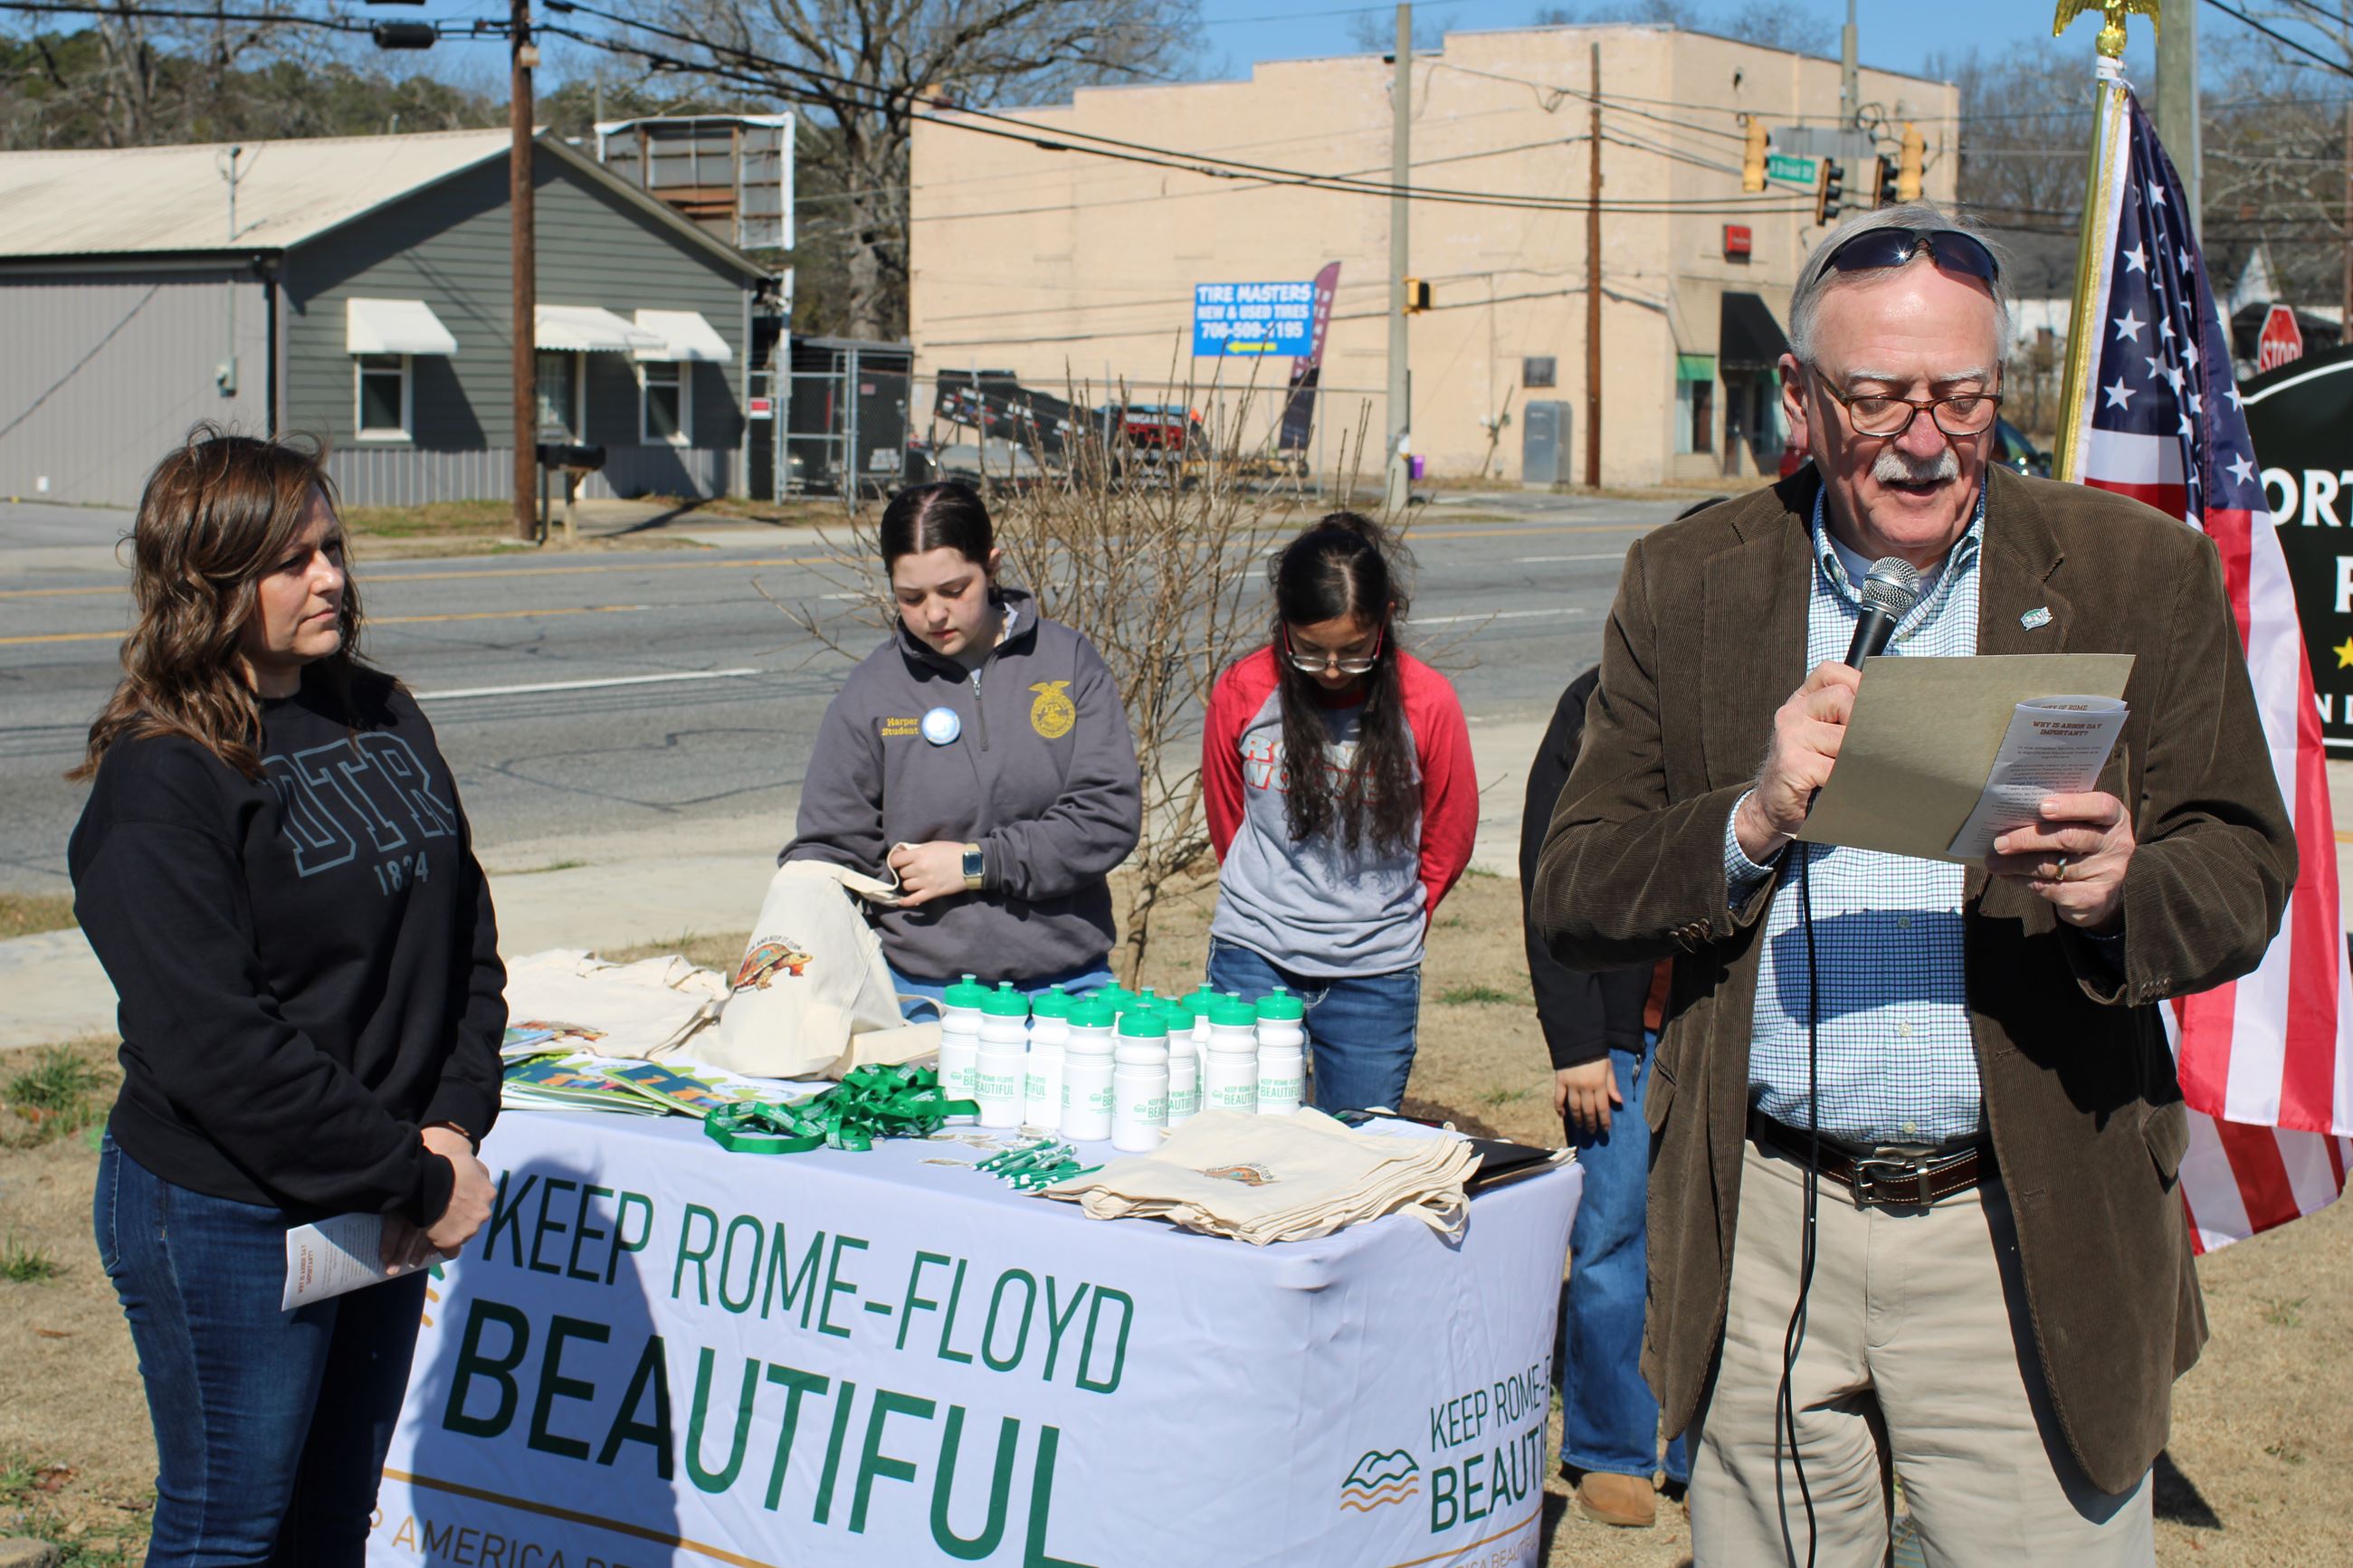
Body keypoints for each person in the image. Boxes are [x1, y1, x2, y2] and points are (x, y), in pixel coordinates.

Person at [1530, 203, 2295, 1566]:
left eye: (1964, 395)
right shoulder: (1686, 580)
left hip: (2017, 1227)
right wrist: (1751, 816)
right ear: (1804, 403)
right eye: (1880, 397)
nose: (1928, 438)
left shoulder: (2137, 573)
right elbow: (1576, 885)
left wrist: (2122, 887)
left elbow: (2244, 866)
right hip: (1766, 1221)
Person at [68, 429, 504, 1566]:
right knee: (231, 1528)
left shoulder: (380, 709)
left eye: (332, 547)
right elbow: (220, 1045)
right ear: (206, 584)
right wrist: (417, 1170)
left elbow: (465, 930)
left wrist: (449, 1124)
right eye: (291, 559)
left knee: (329, 1524)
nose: (331, 577)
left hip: (386, 1187)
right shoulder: (163, 775)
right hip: (228, 1211)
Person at [784, 481, 1141, 1012]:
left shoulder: (1066, 663)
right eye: (911, 597)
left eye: (953, 591)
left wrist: (978, 864)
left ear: (992, 567)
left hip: (1068, 987)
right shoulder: (873, 691)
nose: (933, 615)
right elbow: (831, 848)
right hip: (923, 995)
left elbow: (1107, 816)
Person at [1203, 512, 1476, 1112]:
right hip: (1255, 957)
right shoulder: (1244, 690)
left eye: (1353, 652)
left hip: (1374, 975)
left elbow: (1449, 836)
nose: (1331, 670)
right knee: (1238, 1145)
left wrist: (1390, 916)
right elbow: (1230, 816)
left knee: (1357, 1158)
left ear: (1385, 622)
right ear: (1283, 623)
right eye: (1310, 651)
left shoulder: (1427, 702)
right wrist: (1269, 897)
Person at [1519, 665, 1688, 1528]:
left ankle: (1704, 1446)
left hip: (1721, 1027)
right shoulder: (1594, 701)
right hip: (1622, 1030)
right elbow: (1549, 882)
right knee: (1615, 1231)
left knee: (1722, 1236)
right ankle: (1612, 1444)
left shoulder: (1794, 690)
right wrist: (1580, 1043)